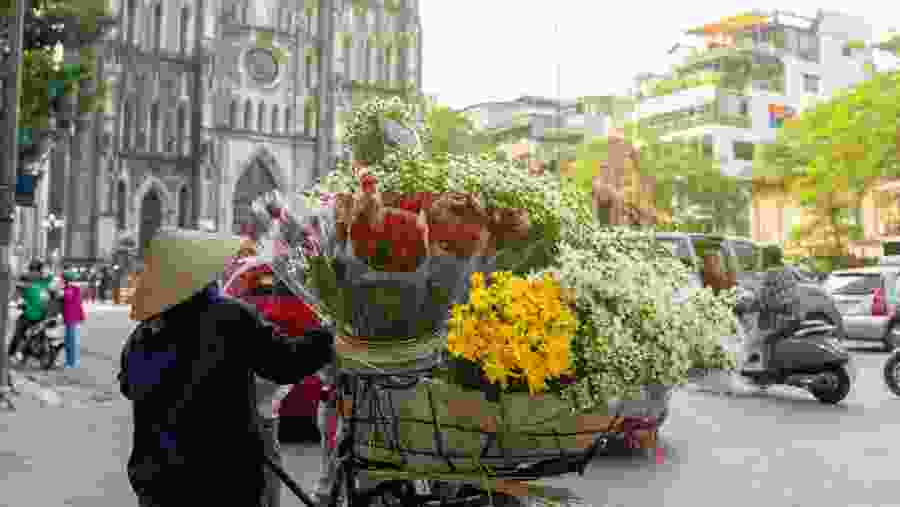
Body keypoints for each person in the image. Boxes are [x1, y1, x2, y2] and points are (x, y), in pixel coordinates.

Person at [118, 228, 334, 507]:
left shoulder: (144, 334)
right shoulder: (231, 317)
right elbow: (284, 362)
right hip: (225, 479)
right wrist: (326, 336)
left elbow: (129, 385)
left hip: (160, 483)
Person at [8, 260, 57, 362]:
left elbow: (54, 291)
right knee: (18, 334)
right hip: (27, 313)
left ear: (40, 271)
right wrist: (17, 301)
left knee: (45, 334)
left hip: (42, 315)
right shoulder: (25, 280)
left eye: (36, 270)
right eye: (32, 270)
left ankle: (46, 355)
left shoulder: (46, 280)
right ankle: (11, 354)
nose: (33, 273)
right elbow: (17, 293)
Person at [61, 270, 86, 368]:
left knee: (71, 341)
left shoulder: (73, 289)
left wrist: (61, 293)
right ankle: (69, 361)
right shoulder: (70, 288)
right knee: (68, 341)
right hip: (69, 318)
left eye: (62, 279)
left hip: (72, 318)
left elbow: (68, 297)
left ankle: (72, 362)